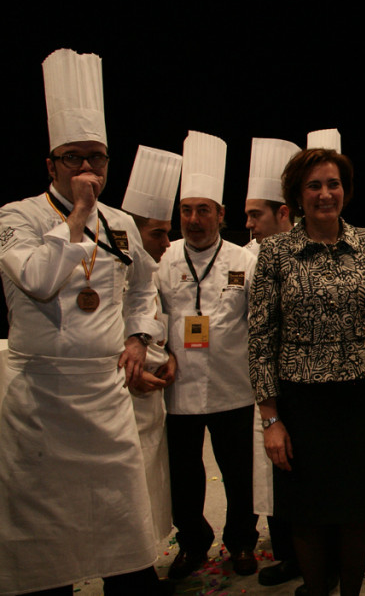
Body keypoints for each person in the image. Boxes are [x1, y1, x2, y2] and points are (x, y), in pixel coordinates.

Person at [0, 49, 166, 595]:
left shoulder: (121, 224)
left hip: (104, 393)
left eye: (97, 158)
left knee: (122, 525)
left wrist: (138, 336)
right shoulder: (17, 216)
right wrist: (75, 217)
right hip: (41, 398)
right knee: (44, 537)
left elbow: (142, 288)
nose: (87, 170)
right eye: (73, 158)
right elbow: (37, 279)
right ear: (50, 166)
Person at [249, 147, 365, 596]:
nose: (325, 194)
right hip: (300, 403)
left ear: (345, 190)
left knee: (355, 511)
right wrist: (270, 419)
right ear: (297, 195)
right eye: (313, 185)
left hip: (360, 400)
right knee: (307, 514)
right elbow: (260, 338)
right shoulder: (275, 251)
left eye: (333, 184)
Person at [157, 131, 260, 580]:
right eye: (186, 210)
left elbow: (260, 324)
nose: (194, 219)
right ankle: (193, 542)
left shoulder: (245, 260)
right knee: (183, 474)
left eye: (203, 210)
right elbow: (150, 315)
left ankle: (241, 541)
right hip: (178, 386)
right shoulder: (163, 259)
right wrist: (159, 351)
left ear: (221, 213)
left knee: (239, 473)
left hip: (232, 386)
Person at [240, 135, 304, 588]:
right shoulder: (246, 258)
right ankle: (287, 556)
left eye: (255, 215)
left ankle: (315, 560)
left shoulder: (308, 253)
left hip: (303, 382)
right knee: (271, 475)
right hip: (264, 386)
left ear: (283, 213)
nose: (248, 225)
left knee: (305, 475)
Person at [121, 144, 184, 552]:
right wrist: (127, 371)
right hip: (123, 398)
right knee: (129, 489)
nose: (166, 241)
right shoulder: (112, 274)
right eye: (157, 233)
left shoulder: (150, 274)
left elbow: (154, 325)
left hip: (153, 399)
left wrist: (169, 353)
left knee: (153, 484)